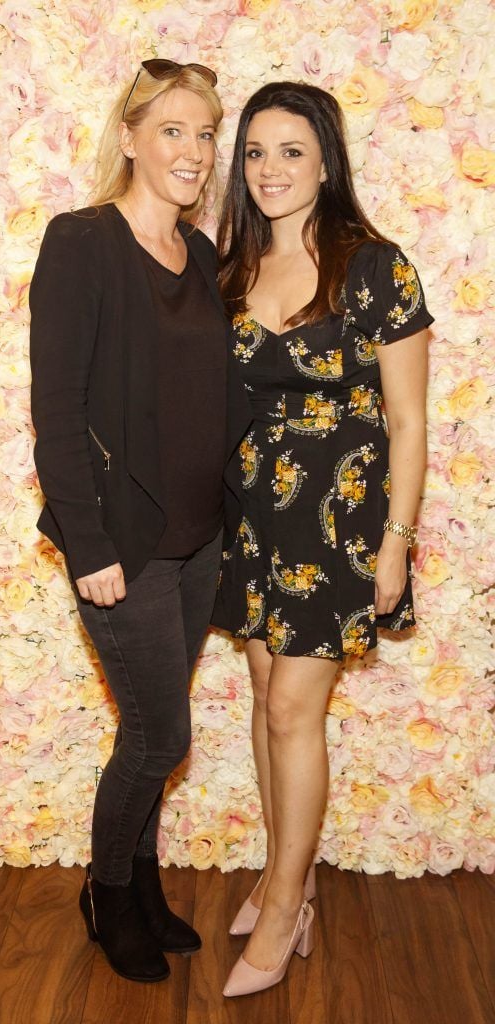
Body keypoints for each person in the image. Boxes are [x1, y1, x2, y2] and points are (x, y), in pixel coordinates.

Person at [29, 59, 251, 984]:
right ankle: (107, 893)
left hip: (199, 539)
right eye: (172, 130)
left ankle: (144, 884)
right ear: (129, 137)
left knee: (152, 735)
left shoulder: (199, 255)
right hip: (125, 544)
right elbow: (57, 405)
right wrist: (88, 545)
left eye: (206, 134)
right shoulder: (82, 243)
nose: (194, 152)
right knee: (161, 738)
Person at [212, 81, 433, 997]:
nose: (270, 170)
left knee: (295, 712)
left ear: (326, 159)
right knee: (270, 705)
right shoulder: (230, 264)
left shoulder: (375, 266)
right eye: (256, 152)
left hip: (337, 524)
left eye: (291, 150)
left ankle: (293, 893)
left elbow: (410, 423)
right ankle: (276, 876)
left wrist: (396, 544)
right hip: (251, 517)